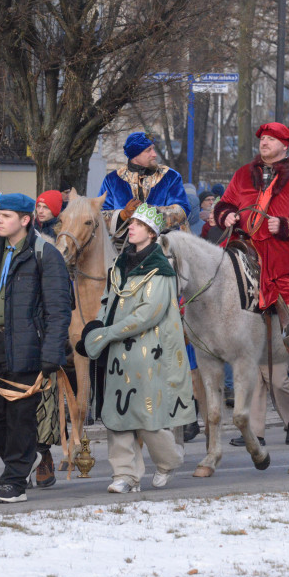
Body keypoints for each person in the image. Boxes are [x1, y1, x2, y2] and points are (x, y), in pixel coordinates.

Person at [0, 193, 71, 503]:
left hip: (27, 344)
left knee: (20, 416)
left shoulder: (46, 254)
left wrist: (52, 352)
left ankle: (15, 481)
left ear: (25, 220)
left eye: (6, 216)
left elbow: (59, 309)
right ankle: (22, 461)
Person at [80, 204, 195, 492]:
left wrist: (106, 334)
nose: (131, 227)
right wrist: (96, 328)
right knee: (115, 416)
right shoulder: (119, 264)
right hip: (115, 354)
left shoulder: (161, 270)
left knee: (146, 417)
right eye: (131, 223)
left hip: (147, 354)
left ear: (152, 233)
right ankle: (125, 475)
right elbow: (108, 301)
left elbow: (148, 314)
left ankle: (168, 461)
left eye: (138, 225)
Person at [214, 121, 289, 367]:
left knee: (283, 281)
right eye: (262, 138)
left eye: (271, 139)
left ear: (284, 145)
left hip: (279, 247)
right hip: (241, 242)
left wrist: (285, 225)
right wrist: (226, 215)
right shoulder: (243, 174)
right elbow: (225, 203)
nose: (264, 142)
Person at [99, 132, 189, 237]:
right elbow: (99, 217)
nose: (154, 154)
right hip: (121, 244)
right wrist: (122, 215)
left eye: (153, 149)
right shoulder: (113, 179)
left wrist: (146, 213)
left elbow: (182, 211)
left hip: (162, 243)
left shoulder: (170, 176)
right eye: (148, 150)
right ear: (135, 154)